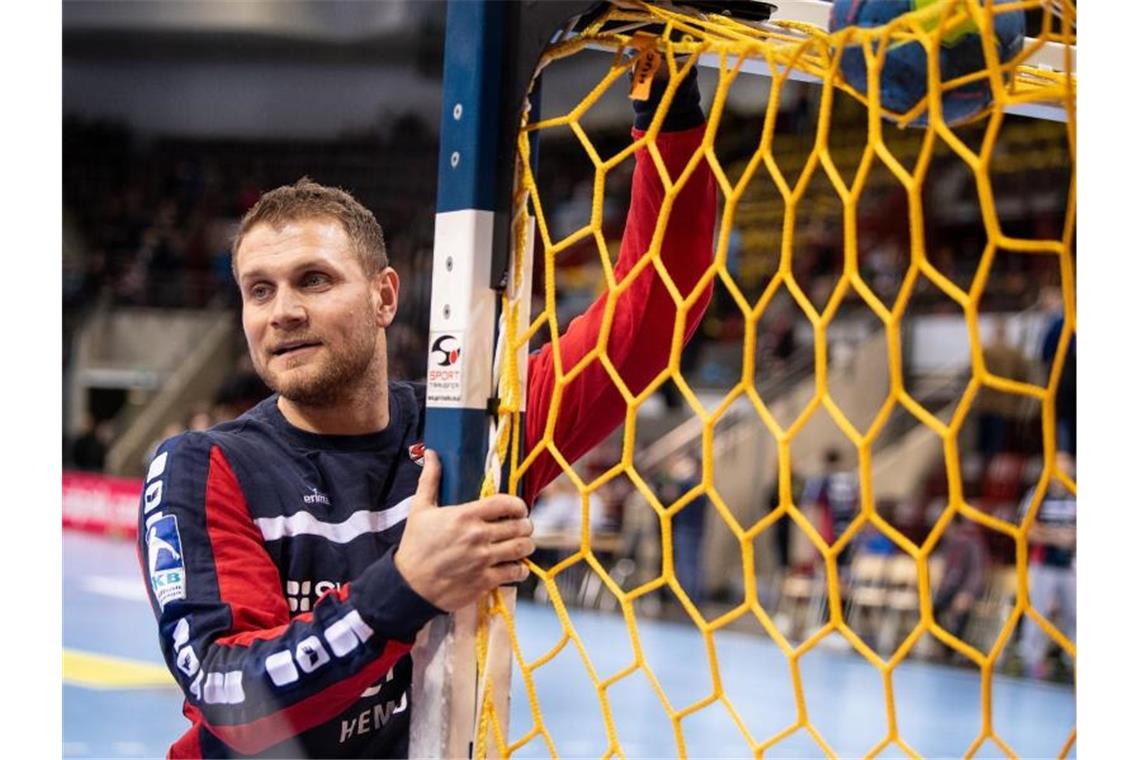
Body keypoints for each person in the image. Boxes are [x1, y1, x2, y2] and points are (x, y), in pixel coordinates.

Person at [138, 68, 715, 758]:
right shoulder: (205, 467)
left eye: (313, 281)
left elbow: (658, 309)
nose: (283, 311)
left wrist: (669, 105)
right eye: (258, 291)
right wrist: (404, 588)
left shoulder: (477, 432)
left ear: (386, 297)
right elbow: (232, 697)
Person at [1017, 451, 1076, 680]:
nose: (1060, 473)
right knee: (1037, 613)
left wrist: (1066, 538)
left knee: (1077, 615)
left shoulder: (1076, 495)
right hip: (1043, 564)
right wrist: (1057, 537)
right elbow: (1027, 530)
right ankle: (1032, 662)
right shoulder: (1037, 495)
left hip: (1072, 565)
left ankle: (1073, 660)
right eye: (1056, 468)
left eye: (1065, 468)